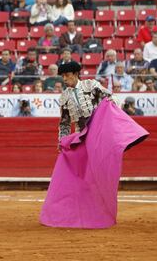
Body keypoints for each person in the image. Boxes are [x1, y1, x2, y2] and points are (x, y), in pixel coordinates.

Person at [40, 60, 148, 230]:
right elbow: (65, 124)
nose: (65, 79)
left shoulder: (91, 85)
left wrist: (107, 120)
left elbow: (110, 100)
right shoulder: (64, 97)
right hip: (83, 136)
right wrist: (62, 142)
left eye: (67, 75)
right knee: (83, 174)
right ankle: (83, 209)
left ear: (76, 74)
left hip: (97, 132)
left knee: (97, 172)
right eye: (63, 76)